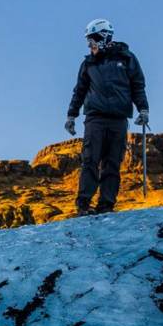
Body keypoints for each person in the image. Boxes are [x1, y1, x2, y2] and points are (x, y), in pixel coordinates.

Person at [64, 20, 149, 216]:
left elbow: (138, 85)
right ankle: (84, 204)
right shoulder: (88, 64)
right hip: (95, 118)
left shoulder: (126, 58)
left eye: (91, 40)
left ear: (103, 37)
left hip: (119, 119)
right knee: (90, 159)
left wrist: (143, 110)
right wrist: (71, 115)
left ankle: (106, 205)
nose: (89, 45)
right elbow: (79, 91)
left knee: (112, 163)